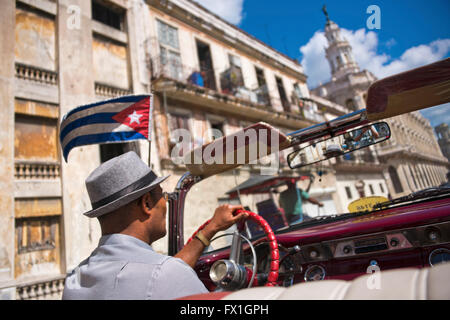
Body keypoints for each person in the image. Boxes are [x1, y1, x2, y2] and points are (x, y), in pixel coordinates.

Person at [62, 151, 247, 300]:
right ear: (147, 204)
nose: (165, 204)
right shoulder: (164, 275)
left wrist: (211, 227)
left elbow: (160, 271)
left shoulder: (75, 280)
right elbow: (163, 274)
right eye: (163, 196)